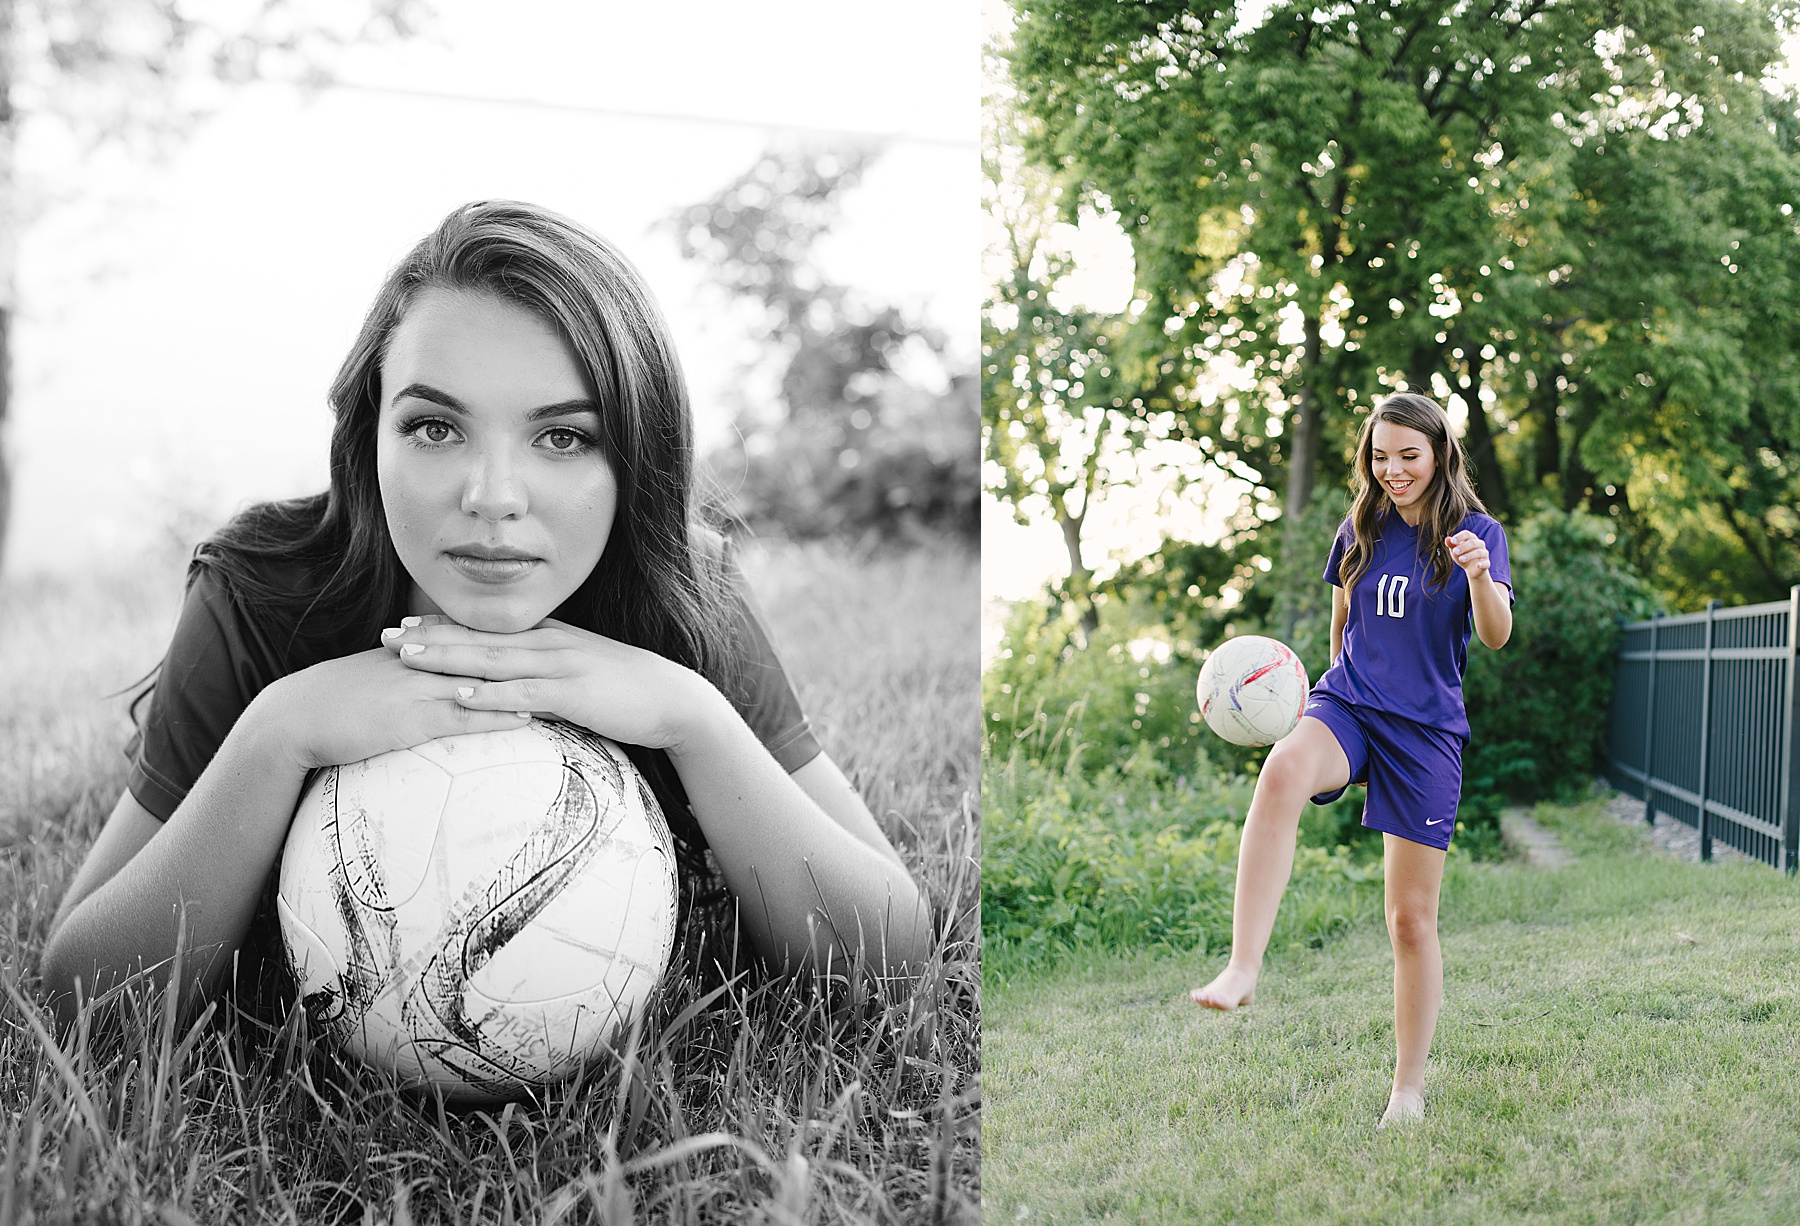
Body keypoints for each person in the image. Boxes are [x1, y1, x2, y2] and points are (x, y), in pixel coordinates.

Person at [39, 200, 931, 1029]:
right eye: (435, 428)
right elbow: (84, 997)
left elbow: (891, 961)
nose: (493, 497)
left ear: (636, 459)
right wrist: (281, 733)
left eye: (564, 437)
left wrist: (693, 720)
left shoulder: (684, 594)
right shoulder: (262, 593)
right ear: (368, 438)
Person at [1189, 392, 1512, 1128]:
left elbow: (1495, 636)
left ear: (1439, 456)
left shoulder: (1476, 531)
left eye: (1409, 455)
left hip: (1426, 733)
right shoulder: (1359, 527)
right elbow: (1342, 624)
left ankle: (1407, 1091)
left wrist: (1479, 577)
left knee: (1409, 920)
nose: (1393, 470)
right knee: (1281, 770)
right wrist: (1328, 706)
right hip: (1351, 706)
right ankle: (1243, 967)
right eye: (1380, 456)